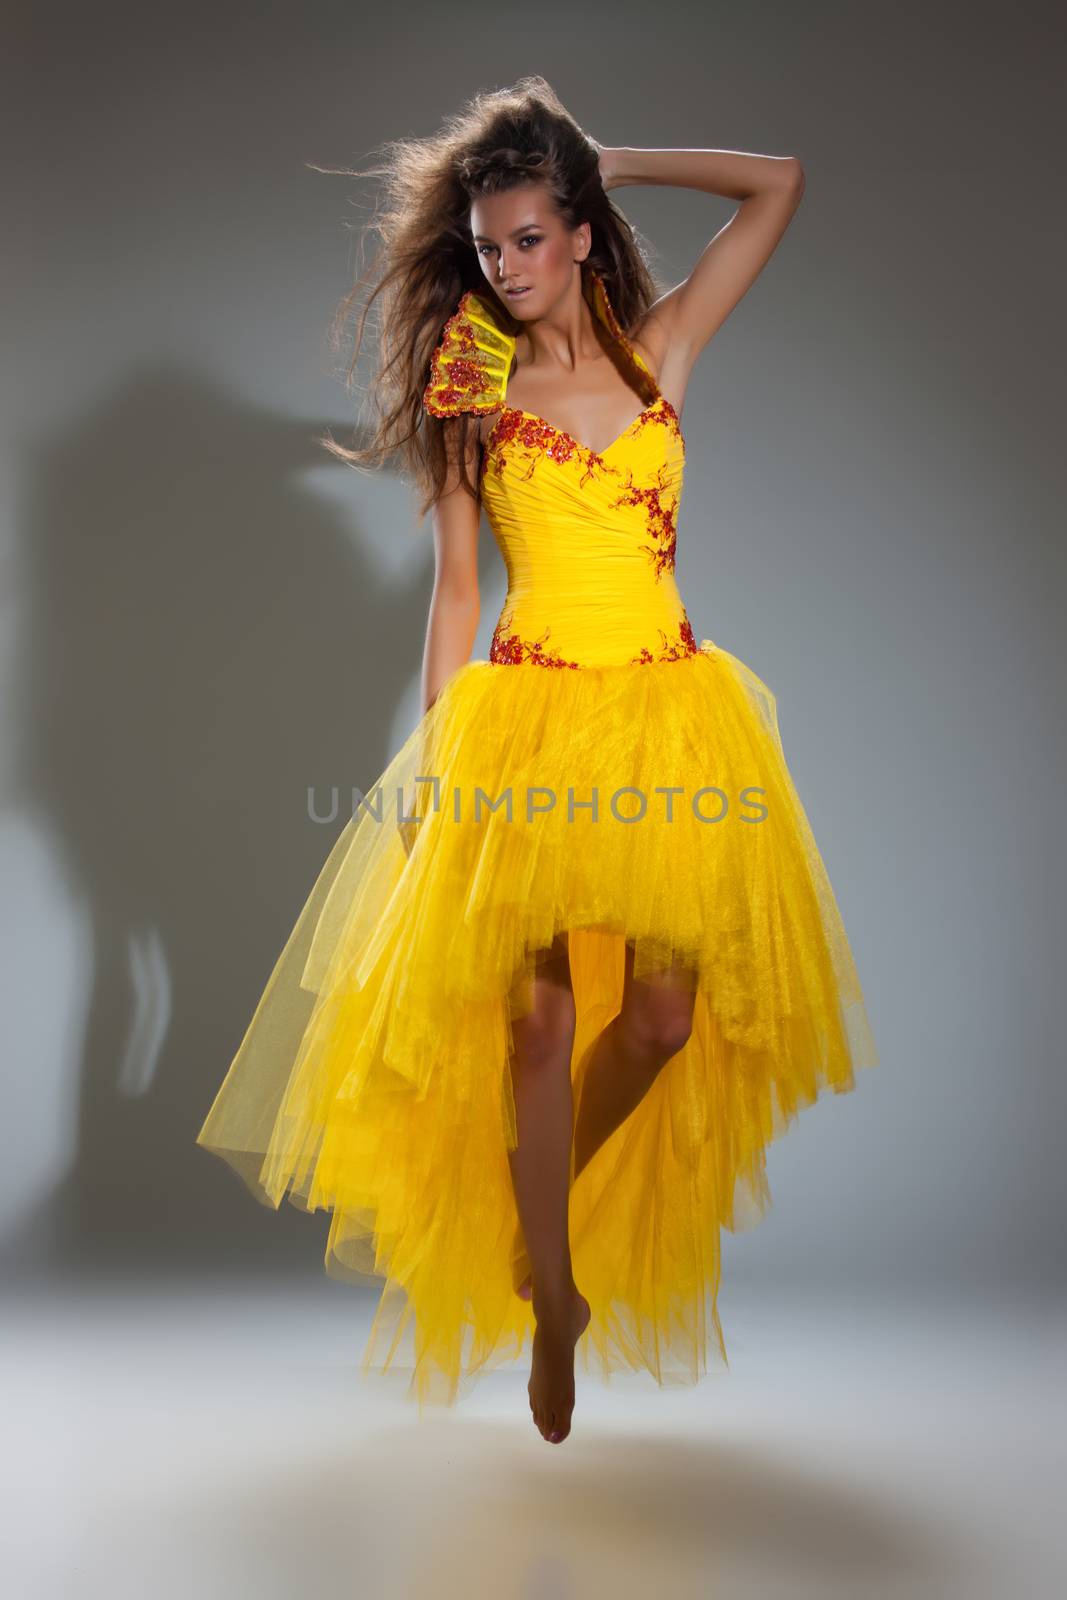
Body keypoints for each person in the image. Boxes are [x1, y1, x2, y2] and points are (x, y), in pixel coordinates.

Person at [196, 76, 878, 1447]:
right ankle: (552, 1297)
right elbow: (457, 586)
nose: (502, 266)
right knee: (537, 1024)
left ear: (578, 231)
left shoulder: (660, 353)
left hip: (670, 713)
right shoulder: (470, 379)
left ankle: (542, 1222)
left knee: (666, 1019)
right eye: (486, 243)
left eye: (526, 236)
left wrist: (604, 152)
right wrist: (442, 752)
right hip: (524, 722)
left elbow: (781, 179)